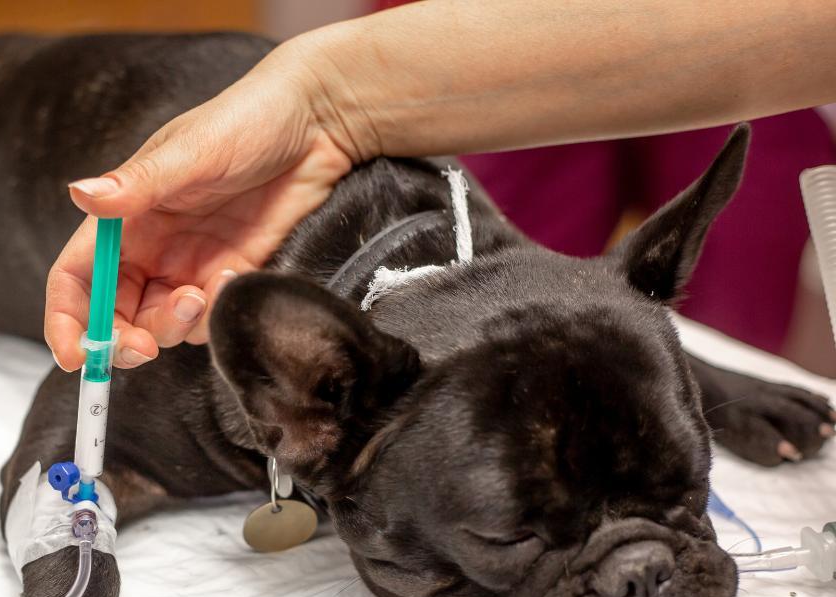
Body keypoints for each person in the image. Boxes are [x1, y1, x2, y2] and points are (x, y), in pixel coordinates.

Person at [44, 0, 836, 372]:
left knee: (730, 294)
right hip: (490, 32)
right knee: (482, 313)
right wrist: (324, 100)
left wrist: (329, 98)